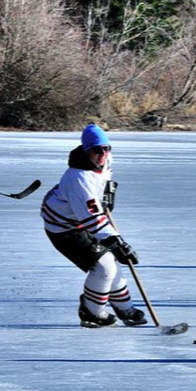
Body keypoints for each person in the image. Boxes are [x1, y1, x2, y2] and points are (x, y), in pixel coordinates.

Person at [41, 124, 147, 328]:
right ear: (86, 150)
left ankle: (125, 308)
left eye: (106, 149)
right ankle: (92, 312)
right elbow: (91, 216)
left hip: (82, 221)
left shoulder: (104, 162)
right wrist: (115, 241)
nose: (102, 154)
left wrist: (107, 197)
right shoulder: (78, 177)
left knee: (112, 263)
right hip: (64, 227)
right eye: (96, 150)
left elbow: (105, 182)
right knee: (104, 265)